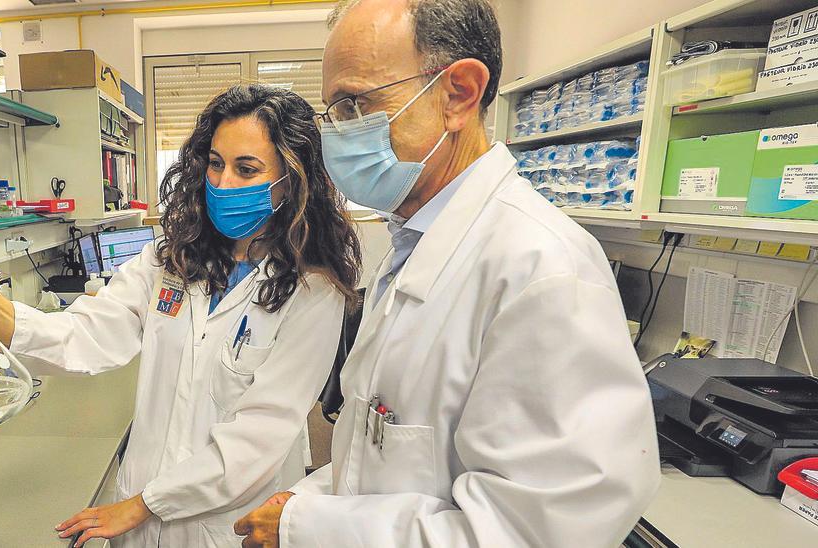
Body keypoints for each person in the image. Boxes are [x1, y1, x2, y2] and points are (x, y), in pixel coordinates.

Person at [234, 0, 661, 546]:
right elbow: (390, 454)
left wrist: (308, 525)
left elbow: (531, 534)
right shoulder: (414, 239)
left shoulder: (543, 270)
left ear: (458, 93)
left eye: (354, 105)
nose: (336, 136)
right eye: (333, 113)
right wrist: (311, 500)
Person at [0, 84, 361, 547]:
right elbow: (86, 335)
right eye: (215, 164)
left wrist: (142, 505)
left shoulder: (314, 289)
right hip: (138, 512)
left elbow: (260, 436)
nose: (223, 183)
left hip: (226, 520)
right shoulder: (169, 259)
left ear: (292, 182)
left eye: (247, 169)